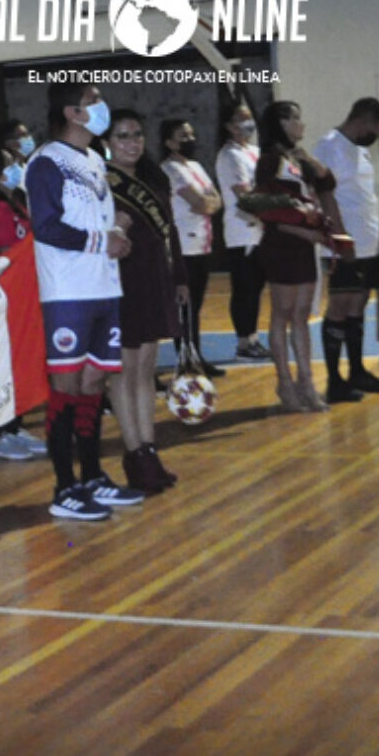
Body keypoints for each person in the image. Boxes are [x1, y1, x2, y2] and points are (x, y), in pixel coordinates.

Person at [27, 81, 142, 520]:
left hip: (104, 288)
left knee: (95, 383)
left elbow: (100, 226)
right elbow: (47, 226)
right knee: (67, 387)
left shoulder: (95, 159)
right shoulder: (46, 162)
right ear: (73, 113)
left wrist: (118, 233)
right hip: (67, 293)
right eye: (94, 101)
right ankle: (64, 487)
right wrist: (102, 241)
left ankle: (92, 475)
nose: (101, 107)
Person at [105, 109, 184, 494]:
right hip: (120, 280)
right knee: (124, 369)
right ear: (107, 143)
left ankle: (149, 449)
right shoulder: (101, 182)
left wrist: (178, 276)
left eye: (137, 134)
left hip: (154, 276)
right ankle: (134, 451)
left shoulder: (154, 177)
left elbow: (171, 233)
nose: (132, 142)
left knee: (147, 368)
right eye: (122, 136)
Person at [254, 100, 339, 412]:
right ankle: (284, 382)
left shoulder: (296, 159)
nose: (302, 124)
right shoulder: (269, 160)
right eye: (296, 118)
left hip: (306, 245)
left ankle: (307, 381)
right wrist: (306, 233)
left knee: (302, 314)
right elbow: (265, 209)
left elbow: (328, 183)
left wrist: (311, 161)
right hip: (283, 245)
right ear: (282, 124)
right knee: (283, 312)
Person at [314, 97, 379, 397]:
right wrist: (340, 236)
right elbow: (325, 195)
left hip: (366, 243)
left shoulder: (360, 150)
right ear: (362, 120)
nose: (377, 135)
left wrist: (374, 232)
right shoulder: (329, 146)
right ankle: (335, 381)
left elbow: (361, 195)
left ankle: (357, 371)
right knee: (339, 306)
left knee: (358, 305)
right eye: (376, 127)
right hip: (343, 245)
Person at [0, 144, 47, 464]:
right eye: (9, 163)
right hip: (3, 297)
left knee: (19, 363)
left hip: (23, 296)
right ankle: (1, 434)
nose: (17, 166)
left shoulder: (14, 202)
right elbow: (7, 253)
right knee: (4, 366)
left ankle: (15, 426)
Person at [161, 117, 225, 377]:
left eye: (191, 135)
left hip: (203, 242)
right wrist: (207, 202)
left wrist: (208, 202)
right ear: (169, 142)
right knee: (184, 307)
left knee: (195, 306)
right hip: (184, 245)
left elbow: (216, 200)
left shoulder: (196, 166)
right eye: (182, 136)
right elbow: (201, 204)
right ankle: (187, 359)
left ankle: (195, 355)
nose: (190, 140)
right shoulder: (170, 169)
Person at [215, 102, 270, 361]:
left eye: (249, 118)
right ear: (228, 125)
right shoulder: (230, 156)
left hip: (261, 230)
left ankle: (254, 337)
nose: (247, 124)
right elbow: (244, 193)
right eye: (240, 119)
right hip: (242, 231)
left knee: (256, 288)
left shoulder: (256, 151)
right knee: (245, 288)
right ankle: (243, 343)